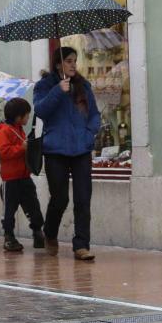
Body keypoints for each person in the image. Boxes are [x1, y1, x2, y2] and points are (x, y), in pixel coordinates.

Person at [34, 47, 100, 261]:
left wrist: (89, 134)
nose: (73, 64)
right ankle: (50, 233)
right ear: (58, 64)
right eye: (68, 61)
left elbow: (94, 114)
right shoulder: (45, 86)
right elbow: (41, 110)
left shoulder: (83, 86)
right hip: (56, 149)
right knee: (60, 198)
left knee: (83, 199)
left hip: (81, 148)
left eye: (75, 60)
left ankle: (81, 245)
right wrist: (57, 91)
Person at [0, 97, 45, 252]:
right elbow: (4, 152)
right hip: (11, 179)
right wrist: (21, 148)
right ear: (18, 117)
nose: (28, 118)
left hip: (24, 176)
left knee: (33, 206)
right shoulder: (4, 131)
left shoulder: (19, 130)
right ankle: (9, 237)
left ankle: (37, 231)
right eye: (26, 115)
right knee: (9, 210)